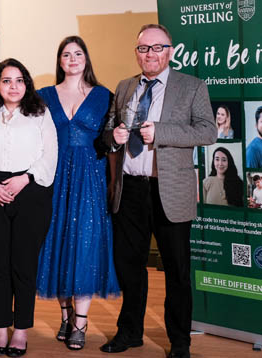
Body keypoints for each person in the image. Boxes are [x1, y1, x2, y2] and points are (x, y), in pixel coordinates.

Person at [101, 24, 216, 358]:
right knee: (128, 266)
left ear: (170, 50)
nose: (149, 54)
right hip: (130, 191)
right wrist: (114, 137)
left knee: (177, 271)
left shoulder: (192, 87)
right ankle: (130, 332)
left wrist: (161, 131)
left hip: (170, 191)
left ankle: (180, 342)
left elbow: (208, 132)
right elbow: (109, 131)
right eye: (142, 48)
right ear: (136, 52)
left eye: (156, 48)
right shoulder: (124, 87)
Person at [36, 36, 120, 351]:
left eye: (78, 53)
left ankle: (80, 323)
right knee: (56, 242)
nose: (72, 58)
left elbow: (111, 146)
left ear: (86, 59)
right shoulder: (43, 95)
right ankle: (65, 313)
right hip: (54, 176)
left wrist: (112, 182)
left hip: (92, 179)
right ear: (59, 61)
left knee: (84, 246)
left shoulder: (104, 96)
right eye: (66, 54)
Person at [0, 58, 57, 357]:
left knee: (23, 265)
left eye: (19, 80)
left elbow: (49, 156)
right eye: (6, 80)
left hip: (30, 192)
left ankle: (20, 331)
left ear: (27, 84)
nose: (13, 86)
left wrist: (25, 179)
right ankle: (1, 330)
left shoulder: (40, 114)